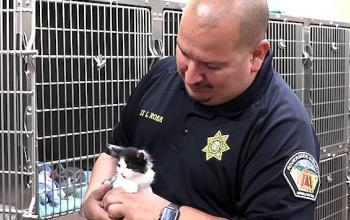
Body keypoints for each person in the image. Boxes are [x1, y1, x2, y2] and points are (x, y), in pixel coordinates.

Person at [82, 0, 320, 219]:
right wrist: (93, 196)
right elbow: (115, 150)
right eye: (184, 52)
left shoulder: (284, 129)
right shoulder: (163, 74)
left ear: (256, 55)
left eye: (212, 65)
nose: (191, 76)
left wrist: (166, 214)